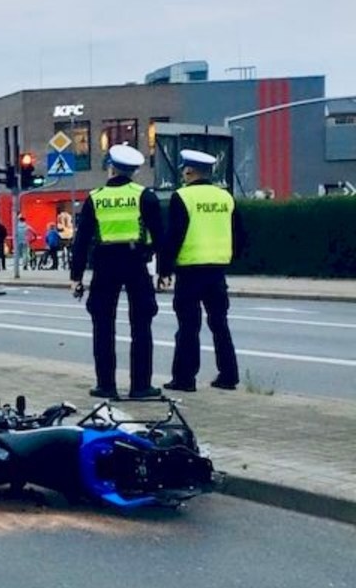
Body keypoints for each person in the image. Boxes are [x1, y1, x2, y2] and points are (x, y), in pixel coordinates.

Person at [69, 144, 164, 401]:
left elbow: (82, 240)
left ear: (110, 167)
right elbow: (160, 236)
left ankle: (106, 385)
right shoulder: (144, 196)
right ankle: (141, 386)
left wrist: (76, 277)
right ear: (133, 171)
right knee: (142, 323)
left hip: (104, 264)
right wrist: (165, 271)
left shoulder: (96, 197)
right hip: (136, 263)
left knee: (102, 324)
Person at [158, 150, 244, 392]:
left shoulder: (182, 197)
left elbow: (174, 235)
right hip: (217, 270)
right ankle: (228, 376)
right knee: (219, 324)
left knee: (188, 326)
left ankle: (185, 379)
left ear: (189, 171)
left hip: (190, 270)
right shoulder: (225, 197)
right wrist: (229, 257)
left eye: (185, 170)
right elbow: (239, 233)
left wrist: (164, 270)